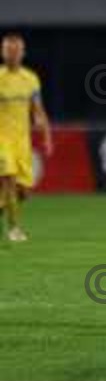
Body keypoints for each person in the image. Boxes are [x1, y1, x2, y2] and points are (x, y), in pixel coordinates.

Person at [0, 33, 53, 241]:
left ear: (22, 53)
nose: (12, 54)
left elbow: (38, 110)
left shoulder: (30, 79)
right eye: (8, 50)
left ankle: (3, 204)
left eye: (16, 50)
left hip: (23, 141)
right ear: (3, 52)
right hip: (2, 141)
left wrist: (47, 136)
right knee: (9, 180)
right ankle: (14, 229)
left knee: (23, 191)